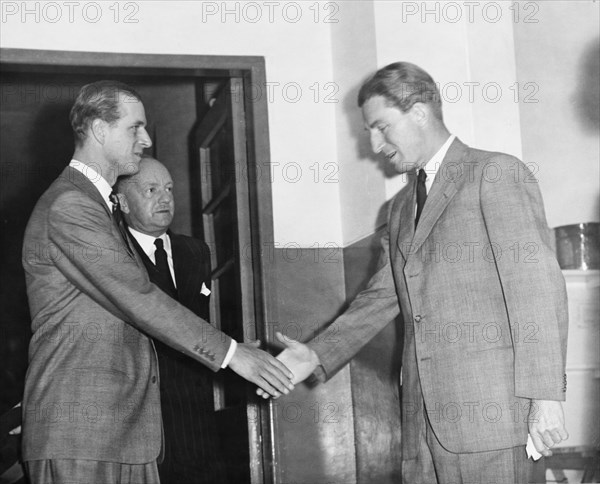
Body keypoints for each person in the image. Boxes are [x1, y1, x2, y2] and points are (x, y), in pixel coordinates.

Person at [261, 62, 569, 483]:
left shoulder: (493, 174)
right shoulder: (400, 208)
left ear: (420, 112)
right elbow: (381, 296)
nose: (373, 143)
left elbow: (537, 291)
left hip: (495, 420)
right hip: (422, 424)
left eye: (381, 127)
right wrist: (316, 353)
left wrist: (546, 396)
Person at [21, 80, 293, 484]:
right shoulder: (71, 204)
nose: (146, 139)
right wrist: (231, 353)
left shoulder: (98, 206)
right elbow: (136, 295)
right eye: (135, 128)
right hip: (83, 435)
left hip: (126, 436)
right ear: (99, 129)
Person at [113, 156, 227, 484]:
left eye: (168, 189)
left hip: (199, 413)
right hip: (144, 420)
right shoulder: (112, 257)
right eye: (151, 189)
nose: (165, 198)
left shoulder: (196, 252)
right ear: (121, 202)